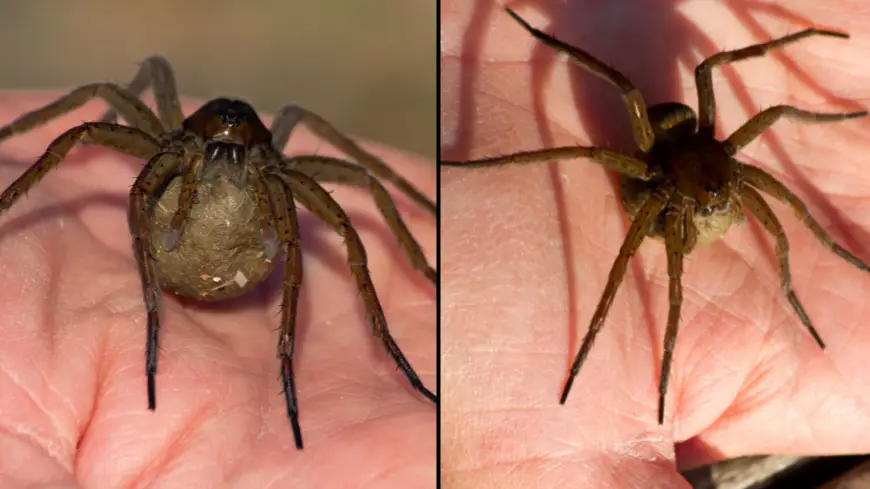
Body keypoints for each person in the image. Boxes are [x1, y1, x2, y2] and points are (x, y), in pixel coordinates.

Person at [441, 2, 870, 487]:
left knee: (786, 211)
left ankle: (808, 281)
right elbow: (592, 145)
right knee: (654, 259)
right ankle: (607, 336)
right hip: (656, 176)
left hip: (694, 159)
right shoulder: (658, 184)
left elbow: (775, 119)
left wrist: (822, 253)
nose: (721, 198)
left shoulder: (731, 165)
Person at [0, 93, 436, 487]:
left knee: (346, 185)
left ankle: (393, 312)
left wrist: (293, 356)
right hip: (185, 175)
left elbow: (335, 223)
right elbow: (133, 187)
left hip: (248, 174)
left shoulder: (273, 172)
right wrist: (151, 306)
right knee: (115, 92)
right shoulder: (174, 144)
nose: (223, 158)